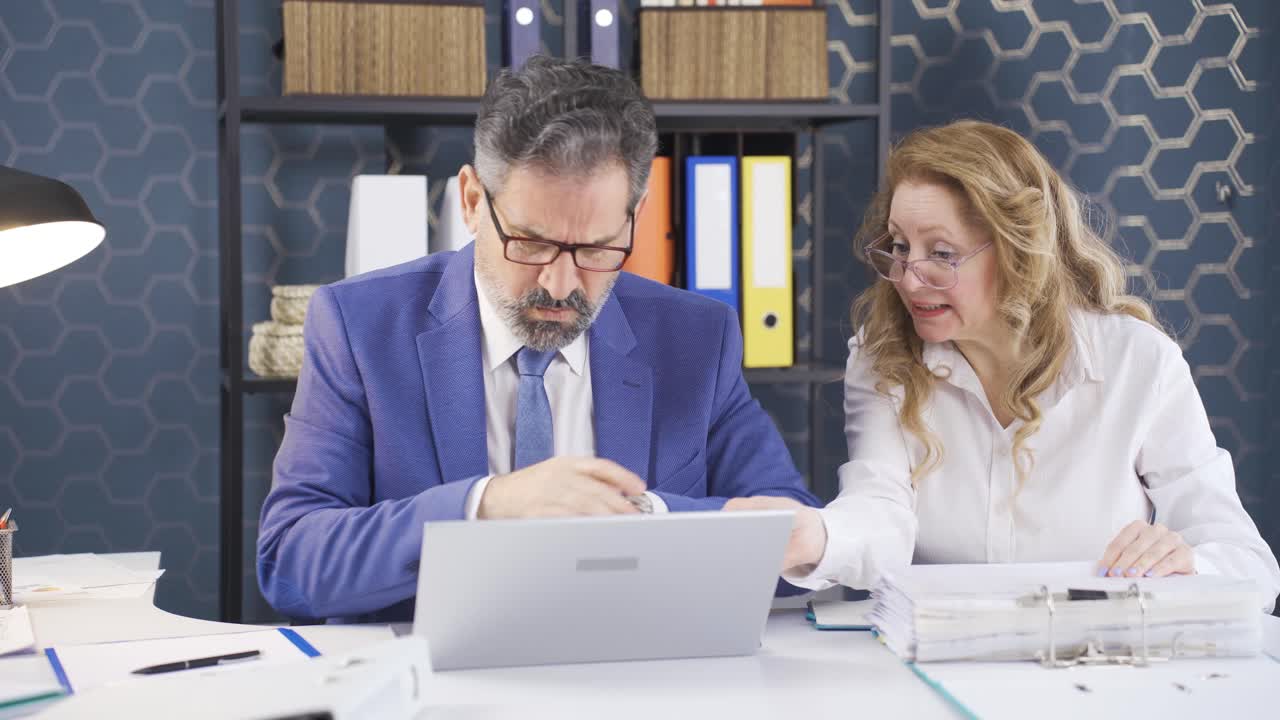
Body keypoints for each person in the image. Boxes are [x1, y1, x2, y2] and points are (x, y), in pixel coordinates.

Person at [257, 56, 820, 623]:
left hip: (636, 664)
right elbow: (291, 561)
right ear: (472, 201)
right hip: (432, 672)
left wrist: (642, 517)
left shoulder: (696, 337)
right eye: (530, 243)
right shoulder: (359, 326)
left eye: (597, 248)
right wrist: (486, 506)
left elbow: (797, 536)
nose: (560, 283)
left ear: (637, 215)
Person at [731, 120, 1280, 611]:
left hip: (1093, 662)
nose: (908, 277)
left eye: (941, 253)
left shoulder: (1139, 361)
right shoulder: (883, 359)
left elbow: (1249, 565)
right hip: (940, 660)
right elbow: (880, 510)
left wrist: (1187, 563)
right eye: (899, 246)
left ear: (1020, 250)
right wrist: (817, 536)